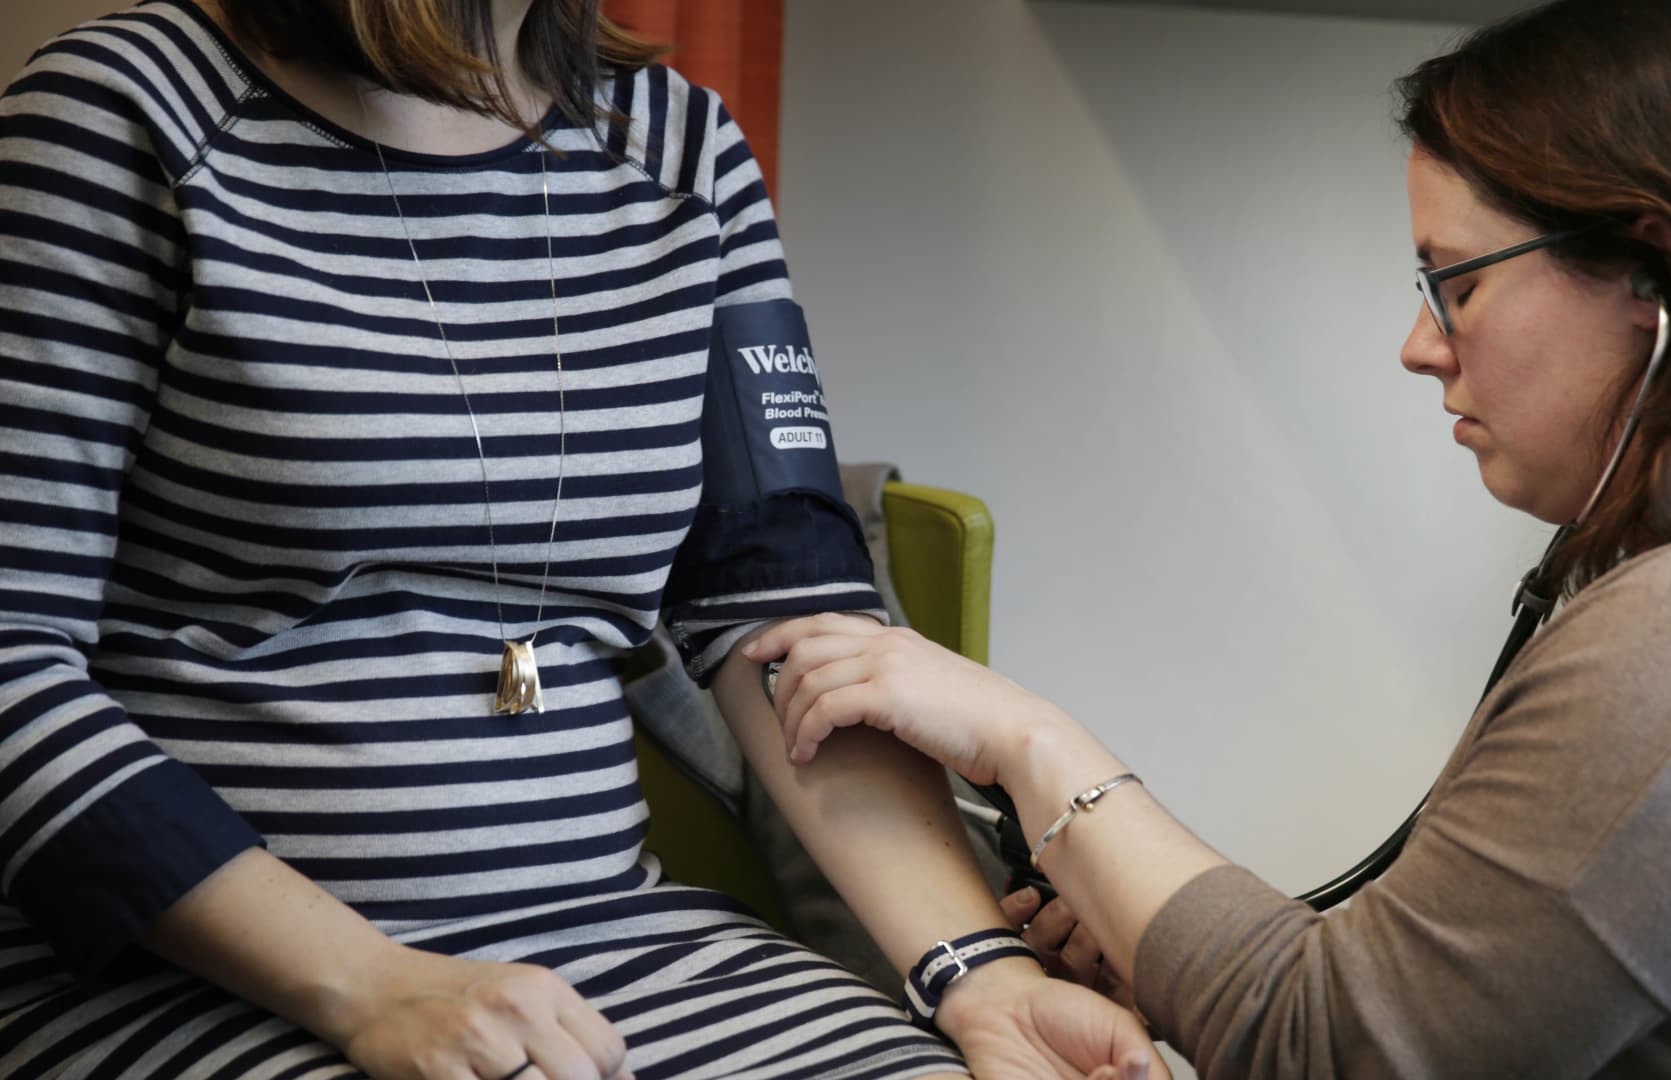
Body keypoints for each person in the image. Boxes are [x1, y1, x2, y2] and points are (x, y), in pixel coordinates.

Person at [747, 0, 1671, 1075]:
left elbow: (1339, 1053)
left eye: (1457, 283)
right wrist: (1174, 960)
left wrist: (1028, 740)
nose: (1421, 345)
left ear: (1656, 275)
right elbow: (1428, 1001)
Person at [0, 2, 1164, 1078]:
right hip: (197, 975)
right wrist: (369, 984)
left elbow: (795, 629)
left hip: (614, 948)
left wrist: (982, 976)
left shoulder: (685, 152)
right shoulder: (124, 111)